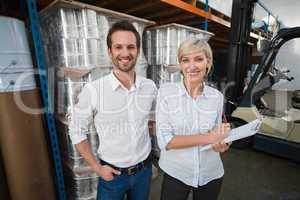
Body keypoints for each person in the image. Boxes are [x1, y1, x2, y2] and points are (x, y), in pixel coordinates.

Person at [69, 20, 157, 200]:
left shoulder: (150, 87)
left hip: (143, 172)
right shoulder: (93, 90)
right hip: (112, 176)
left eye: (131, 47)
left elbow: (152, 122)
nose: (125, 53)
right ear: (110, 51)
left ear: (138, 51)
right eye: (118, 47)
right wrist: (97, 168)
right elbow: (76, 130)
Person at [156, 38, 231, 200]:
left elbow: (217, 134)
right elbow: (165, 141)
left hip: (210, 173)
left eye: (198, 59)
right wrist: (209, 138)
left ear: (208, 62)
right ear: (180, 65)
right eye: (185, 60)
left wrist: (222, 143)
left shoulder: (216, 97)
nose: (192, 66)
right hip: (176, 173)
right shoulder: (166, 93)